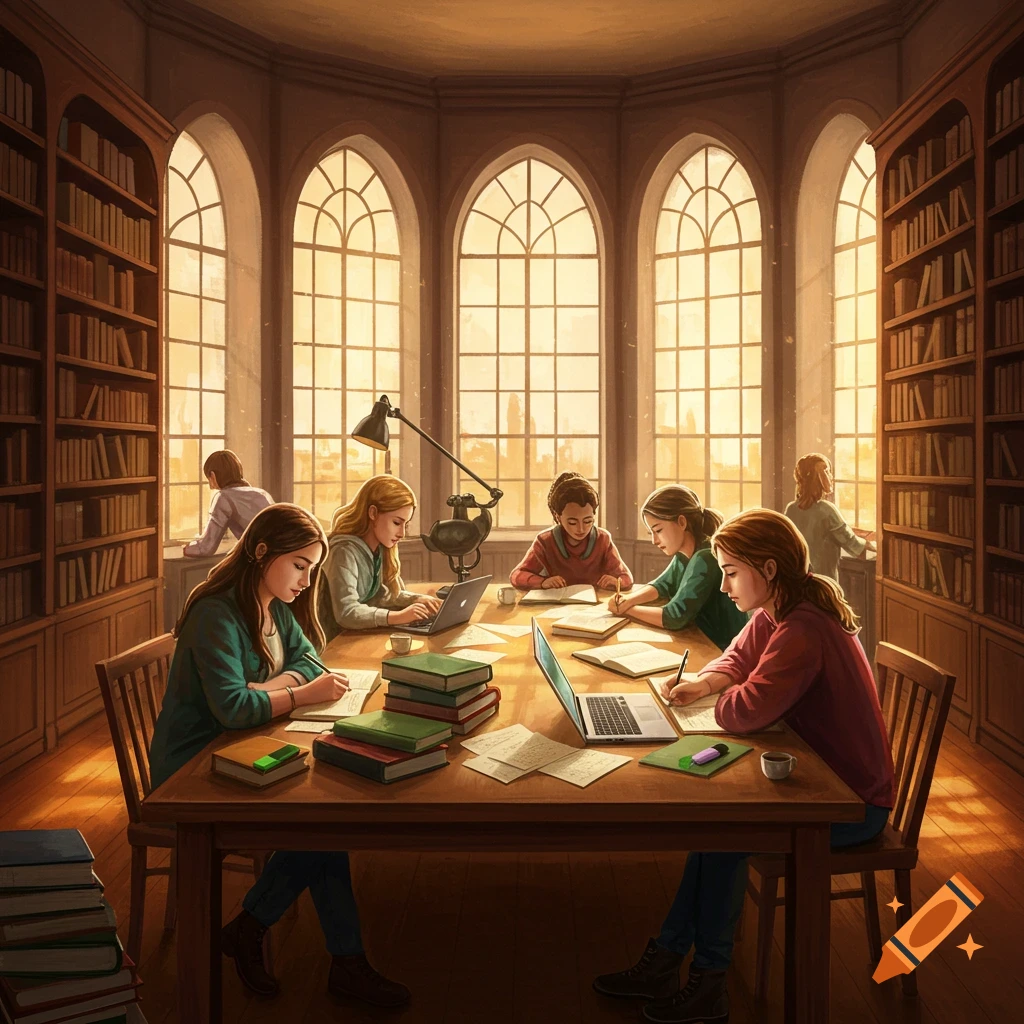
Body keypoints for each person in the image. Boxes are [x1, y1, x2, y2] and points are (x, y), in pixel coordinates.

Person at [594, 508, 895, 1024]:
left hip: (850, 803)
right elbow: (735, 659)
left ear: (769, 569)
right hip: (818, 776)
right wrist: (705, 684)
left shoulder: (803, 629)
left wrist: (718, 700)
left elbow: (749, 709)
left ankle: (706, 981)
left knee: (725, 833)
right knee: (715, 828)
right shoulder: (779, 612)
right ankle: (672, 960)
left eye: (732, 573)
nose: (726, 586)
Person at [149, 503, 409, 1008]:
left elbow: (309, 660)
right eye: (300, 565)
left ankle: (259, 931)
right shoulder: (216, 613)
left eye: (312, 569)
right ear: (262, 551)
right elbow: (233, 710)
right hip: (196, 766)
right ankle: (326, 956)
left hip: (246, 745)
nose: (307, 580)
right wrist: (298, 693)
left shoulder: (272, 604)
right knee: (323, 824)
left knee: (323, 820)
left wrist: (275, 685)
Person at [608, 485, 746, 650]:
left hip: (719, 648)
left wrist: (626, 610)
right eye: (650, 533)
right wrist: (629, 600)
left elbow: (674, 616)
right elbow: (662, 585)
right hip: (699, 639)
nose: (654, 540)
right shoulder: (683, 556)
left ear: (681, 522)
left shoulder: (706, 557)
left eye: (658, 530)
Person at [316, 475, 441, 642]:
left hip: (360, 636)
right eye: (397, 523)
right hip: (336, 642)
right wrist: (396, 617)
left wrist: (416, 599)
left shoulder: (380, 549)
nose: (402, 533)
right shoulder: (343, 550)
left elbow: (384, 595)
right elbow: (346, 612)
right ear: (373, 513)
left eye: (406, 524)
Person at [509, 472, 632, 592]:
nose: (581, 529)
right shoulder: (545, 541)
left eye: (588, 521)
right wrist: (542, 582)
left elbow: (626, 578)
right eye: (572, 523)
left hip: (594, 605)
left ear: (594, 515)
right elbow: (516, 575)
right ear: (558, 517)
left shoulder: (603, 539)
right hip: (557, 604)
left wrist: (617, 582)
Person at [784, 452, 875, 581]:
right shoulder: (827, 510)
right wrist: (874, 546)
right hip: (823, 583)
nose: (831, 476)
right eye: (828, 472)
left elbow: (832, 530)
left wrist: (864, 533)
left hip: (797, 581)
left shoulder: (791, 509)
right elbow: (853, 544)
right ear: (821, 477)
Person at [182, 449, 273, 557]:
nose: (210, 485)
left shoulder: (223, 497)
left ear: (213, 476)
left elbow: (206, 548)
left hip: (259, 559)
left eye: (208, 478)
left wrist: (186, 548)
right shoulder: (262, 493)